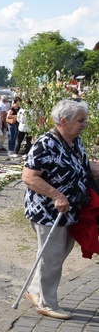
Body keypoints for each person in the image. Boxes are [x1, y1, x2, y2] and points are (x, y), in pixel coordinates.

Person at [22, 99, 99, 319]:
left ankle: (35, 290)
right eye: (80, 120)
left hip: (71, 210)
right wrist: (57, 195)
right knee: (52, 255)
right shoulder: (45, 144)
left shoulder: (75, 141)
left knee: (56, 254)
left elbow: (86, 166)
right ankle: (47, 303)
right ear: (63, 121)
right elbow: (29, 177)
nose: (84, 124)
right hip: (48, 211)